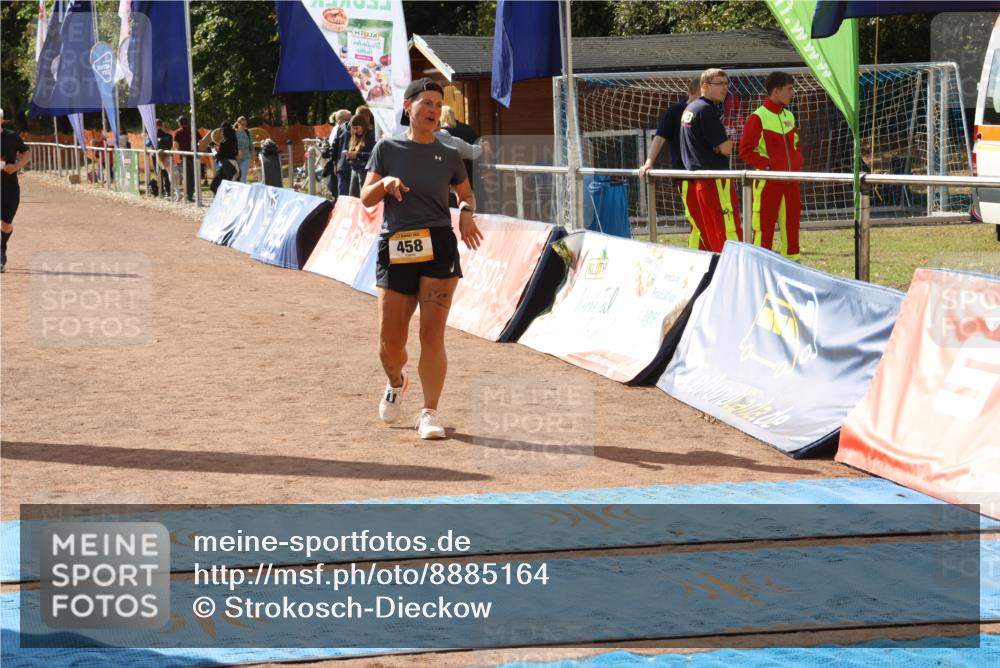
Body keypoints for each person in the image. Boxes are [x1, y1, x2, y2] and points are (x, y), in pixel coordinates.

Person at [360, 78, 483, 440]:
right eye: (425, 103)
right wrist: (384, 185)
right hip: (397, 244)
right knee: (390, 344)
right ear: (408, 107)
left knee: (432, 336)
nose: (432, 110)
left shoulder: (448, 154)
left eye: (437, 104)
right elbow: (366, 196)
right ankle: (397, 381)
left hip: (439, 245)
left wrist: (464, 212)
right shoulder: (386, 148)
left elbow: (466, 194)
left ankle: (429, 412)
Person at [739, 71, 803, 260]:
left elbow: (796, 144)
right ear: (776, 91)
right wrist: (768, 167)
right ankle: (759, 268)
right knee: (763, 227)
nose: (793, 93)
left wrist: (797, 163)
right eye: (789, 89)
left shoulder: (790, 115)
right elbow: (746, 150)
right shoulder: (757, 117)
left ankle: (794, 266)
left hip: (792, 181)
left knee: (792, 226)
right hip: (768, 182)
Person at [679, 68, 741, 252]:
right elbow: (726, 148)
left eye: (726, 83)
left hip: (699, 181)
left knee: (710, 232)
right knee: (726, 231)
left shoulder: (691, 108)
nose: (725, 88)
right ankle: (732, 274)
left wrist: (720, 144)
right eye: (720, 84)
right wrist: (723, 144)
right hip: (714, 181)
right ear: (705, 86)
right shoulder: (706, 110)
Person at [639, 77, 705, 250]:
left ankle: (709, 254)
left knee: (707, 220)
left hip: (707, 175)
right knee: (697, 220)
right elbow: (659, 138)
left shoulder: (708, 110)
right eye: (701, 95)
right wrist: (648, 162)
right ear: (691, 92)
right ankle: (698, 256)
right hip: (685, 175)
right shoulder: (675, 111)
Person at [1, 108, 32, 273]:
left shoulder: (12, 137)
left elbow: (27, 154)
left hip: (10, 187)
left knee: (6, 224)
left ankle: (2, 246)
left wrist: (16, 167)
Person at [172, 116, 200, 202]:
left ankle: (189, 195)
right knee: (194, 176)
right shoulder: (194, 130)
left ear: (180, 123)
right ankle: (193, 194)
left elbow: (175, 145)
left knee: (187, 176)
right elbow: (201, 142)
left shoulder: (177, 132)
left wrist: (178, 150)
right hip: (194, 156)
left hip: (184, 157)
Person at [346, 114, 374, 197]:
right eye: (353, 128)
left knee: (364, 197)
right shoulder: (354, 137)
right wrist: (349, 156)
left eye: (356, 128)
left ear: (363, 126)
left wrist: (357, 155)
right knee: (353, 197)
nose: (354, 131)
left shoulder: (371, 136)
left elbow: (373, 155)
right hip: (354, 169)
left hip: (365, 171)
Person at [326, 109, 351, 196]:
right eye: (348, 119)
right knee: (342, 192)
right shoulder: (339, 129)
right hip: (341, 164)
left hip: (340, 164)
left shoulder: (339, 128)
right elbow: (334, 147)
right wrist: (335, 164)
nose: (350, 121)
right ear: (341, 120)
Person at [210, 121, 239, 194]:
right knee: (228, 188)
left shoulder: (224, 142)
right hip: (233, 166)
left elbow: (220, 156)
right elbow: (236, 153)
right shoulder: (234, 141)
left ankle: (222, 202)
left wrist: (215, 152)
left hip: (226, 166)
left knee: (214, 186)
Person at [155, 118, 173, 196]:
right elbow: (170, 144)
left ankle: (162, 190)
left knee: (160, 173)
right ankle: (167, 190)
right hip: (166, 155)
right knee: (166, 173)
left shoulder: (155, 134)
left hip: (159, 156)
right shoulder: (168, 135)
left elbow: (148, 143)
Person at [234, 116, 254, 183]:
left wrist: (252, 157)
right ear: (238, 124)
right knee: (235, 177)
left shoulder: (248, 133)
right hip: (236, 159)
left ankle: (243, 192)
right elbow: (231, 145)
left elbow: (251, 146)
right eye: (242, 124)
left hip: (246, 158)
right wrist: (237, 152)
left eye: (245, 124)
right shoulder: (234, 133)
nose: (244, 126)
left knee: (242, 177)